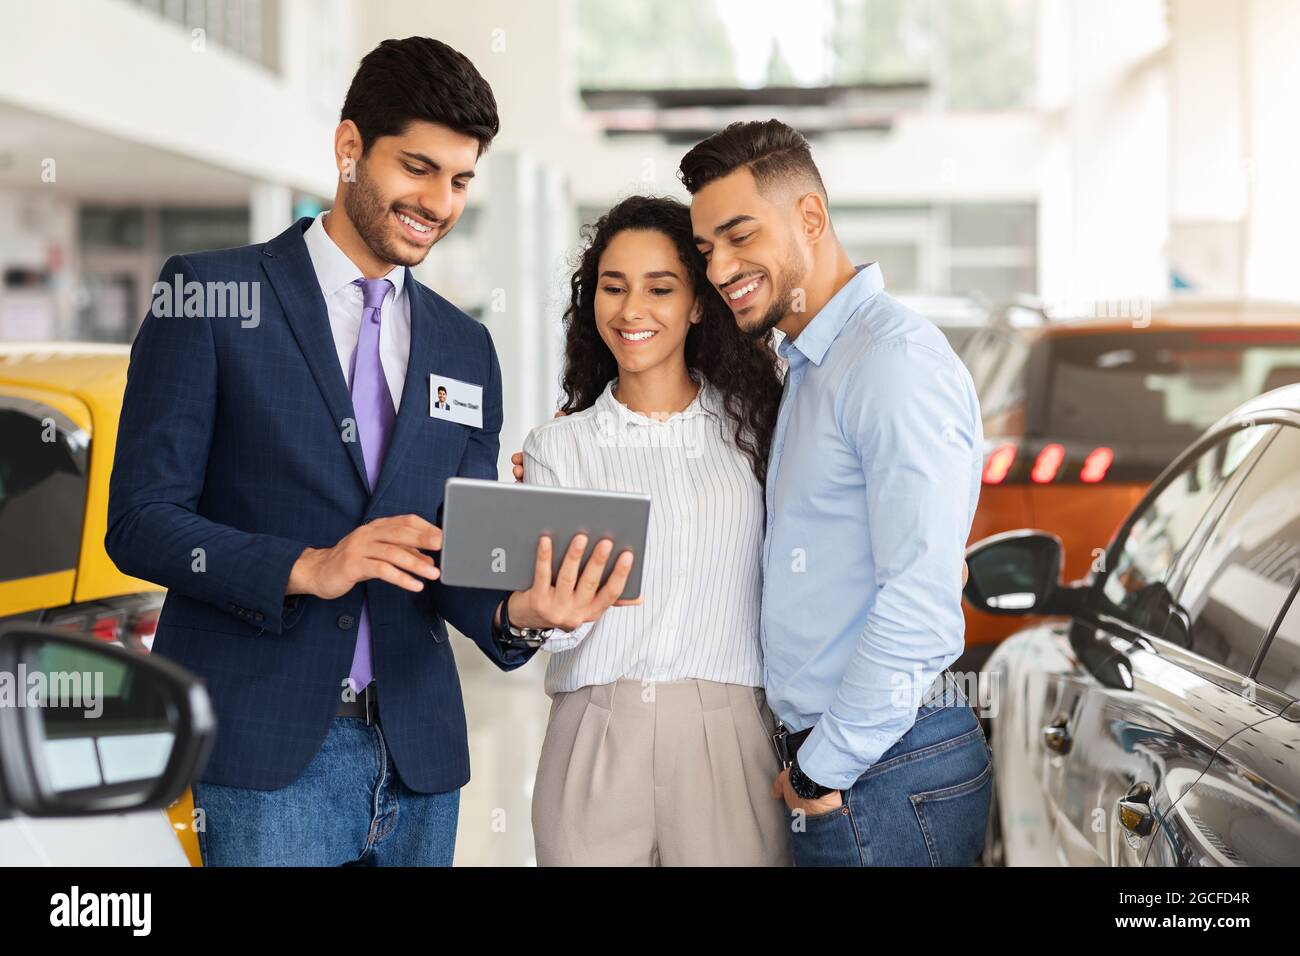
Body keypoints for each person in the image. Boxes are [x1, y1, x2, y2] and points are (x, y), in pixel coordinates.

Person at [105, 36, 632, 867]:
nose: (439, 202)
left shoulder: (465, 347)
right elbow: (139, 522)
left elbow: (455, 554)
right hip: (263, 760)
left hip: (419, 760)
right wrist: (308, 566)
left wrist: (520, 615)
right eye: (417, 169)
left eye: (459, 180)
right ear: (350, 148)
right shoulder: (209, 295)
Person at [681, 119, 990, 866]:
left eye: (739, 236)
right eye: (706, 250)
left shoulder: (890, 362)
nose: (720, 268)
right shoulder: (814, 363)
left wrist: (827, 764)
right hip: (853, 764)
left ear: (811, 218)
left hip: (884, 768)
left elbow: (920, 599)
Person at [521, 195, 790, 866]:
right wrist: (550, 610)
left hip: (730, 731)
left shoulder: (759, 430)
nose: (631, 310)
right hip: (595, 729)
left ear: (698, 303)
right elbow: (553, 625)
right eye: (612, 288)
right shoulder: (560, 446)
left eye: (659, 288)